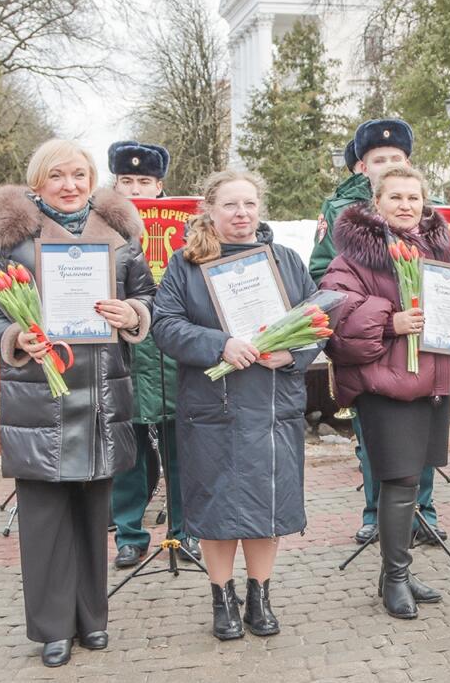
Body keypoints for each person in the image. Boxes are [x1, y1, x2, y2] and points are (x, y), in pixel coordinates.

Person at [0, 139, 154, 667]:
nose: (70, 185)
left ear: (92, 180)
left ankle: (92, 619)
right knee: (44, 517)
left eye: (79, 175)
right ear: (38, 181)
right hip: (39, 400)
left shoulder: (121, 235)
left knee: (94, 515)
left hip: (101, 395)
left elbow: (150, 297)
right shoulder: (8, 238)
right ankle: (51, 628)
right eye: (57, 176)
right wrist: (14, 337)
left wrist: (131, 311)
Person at [152, 170, 322, 640]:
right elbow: (164, 325)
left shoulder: (285, 261)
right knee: (218, 507)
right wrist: (219, 343)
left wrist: (295, 354)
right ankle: (221, 596)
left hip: (272, 404)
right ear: (209, 209)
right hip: (213, 407)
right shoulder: (185, 265)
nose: (241, 214)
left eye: (249, 204)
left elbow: (317, 320)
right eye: (230, 205)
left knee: (269, 506)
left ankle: (260, 594)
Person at [321, 165, 450, 619]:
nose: (406, 206)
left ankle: (401, 571)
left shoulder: (438, 251)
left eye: (413, 197)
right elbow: (334, 312)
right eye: (395, 198)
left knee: (411, 481)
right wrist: (391, 321)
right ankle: (393, 579)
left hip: (429, 382)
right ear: (377, 203)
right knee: (397, 481)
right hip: (384, 387)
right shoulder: (352, 257)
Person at [309, 121, 445, 546]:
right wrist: (388, 315)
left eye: (396, 159)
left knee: (422, 444)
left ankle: (422, 510)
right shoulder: (339, 215)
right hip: (375, 352)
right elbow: (324, 278)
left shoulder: (432, 220)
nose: (388, 165)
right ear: (362, 168)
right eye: (378, 160)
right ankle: (376, 513)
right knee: (377, 444)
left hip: (425, 356)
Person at [106, 140, 201, 569]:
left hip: (173, 348)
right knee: (127, 450)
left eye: (144, 181)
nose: (135, 189)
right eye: (126, 180)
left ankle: (185, 530)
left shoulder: (188, 223)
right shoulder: (100, 225)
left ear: (159, 183)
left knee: (181, 445)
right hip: (122, 350)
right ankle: (129, 533)